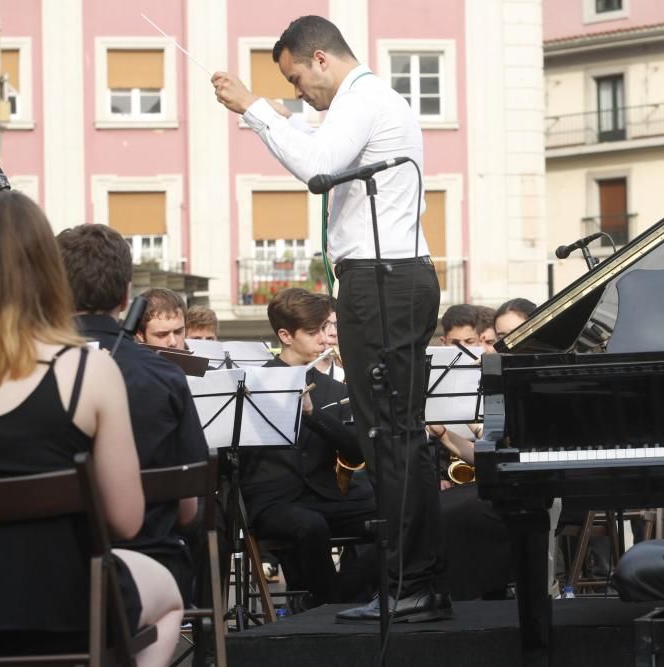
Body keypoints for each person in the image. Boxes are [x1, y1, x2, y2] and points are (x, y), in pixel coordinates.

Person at [212, 15, 448, 622]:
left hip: (382, 279)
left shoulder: (361, 99)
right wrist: (270, 114)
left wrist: (254, 108)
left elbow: (318, 167)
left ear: (320, 59)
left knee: (388, 438)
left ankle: (410, 584)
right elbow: (318, 138)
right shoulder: (366, 100)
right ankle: (417, 580)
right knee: (399, 435)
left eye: (296, 77)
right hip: (393, 277)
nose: (297, 91)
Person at [0, 192, 182, 665]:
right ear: (49, 274)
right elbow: (127, 520)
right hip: (66, 609)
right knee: (168, 598)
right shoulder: (88, 371)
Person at [57, 223, 209, 604]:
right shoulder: (165, 375)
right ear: (127, 297)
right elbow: (187, 509)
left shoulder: (24, 368)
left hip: (45, 570)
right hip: (144, 559)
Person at [243, 288, 376, 610]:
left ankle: (335, 597)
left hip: (324, 496)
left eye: (325, 329)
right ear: (285, 335)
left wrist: (313, 416)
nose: (325, 339)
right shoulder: (251, 384)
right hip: (272, 502)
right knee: (309, 526)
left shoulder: (334, 388)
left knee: (397, 513)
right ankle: (329, 605)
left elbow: (358, 452)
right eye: (313, 332)